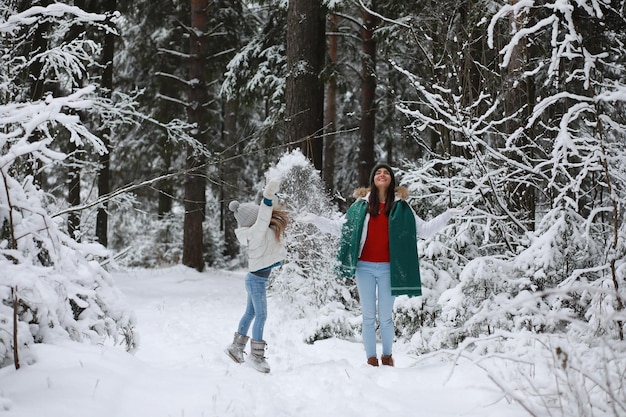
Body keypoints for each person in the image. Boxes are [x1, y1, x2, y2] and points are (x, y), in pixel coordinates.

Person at [301, 163, 466, 367]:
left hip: (389, 269)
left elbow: (425, 230)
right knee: (368, 316)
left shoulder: (402, 207)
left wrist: (447, 215)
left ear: (391, 180)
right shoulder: (360, 206)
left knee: (386, 317)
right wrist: (316, 219)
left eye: (386, 172)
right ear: (373, 179)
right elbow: (340, 229)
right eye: (378, 172)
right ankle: (371, 360)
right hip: (365, 269)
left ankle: (387, 358)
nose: (382, 174)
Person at [225, 178, 289, 373]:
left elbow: (268, 216)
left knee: (251, 313)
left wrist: (275, 198)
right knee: (261, 315)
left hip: (255, 279)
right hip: (256, 281)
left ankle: (236, 348)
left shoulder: (257, 232)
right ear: (254, 219)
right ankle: (256, 356)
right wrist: (267, 197)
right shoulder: (257, 231)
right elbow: (263, 217)